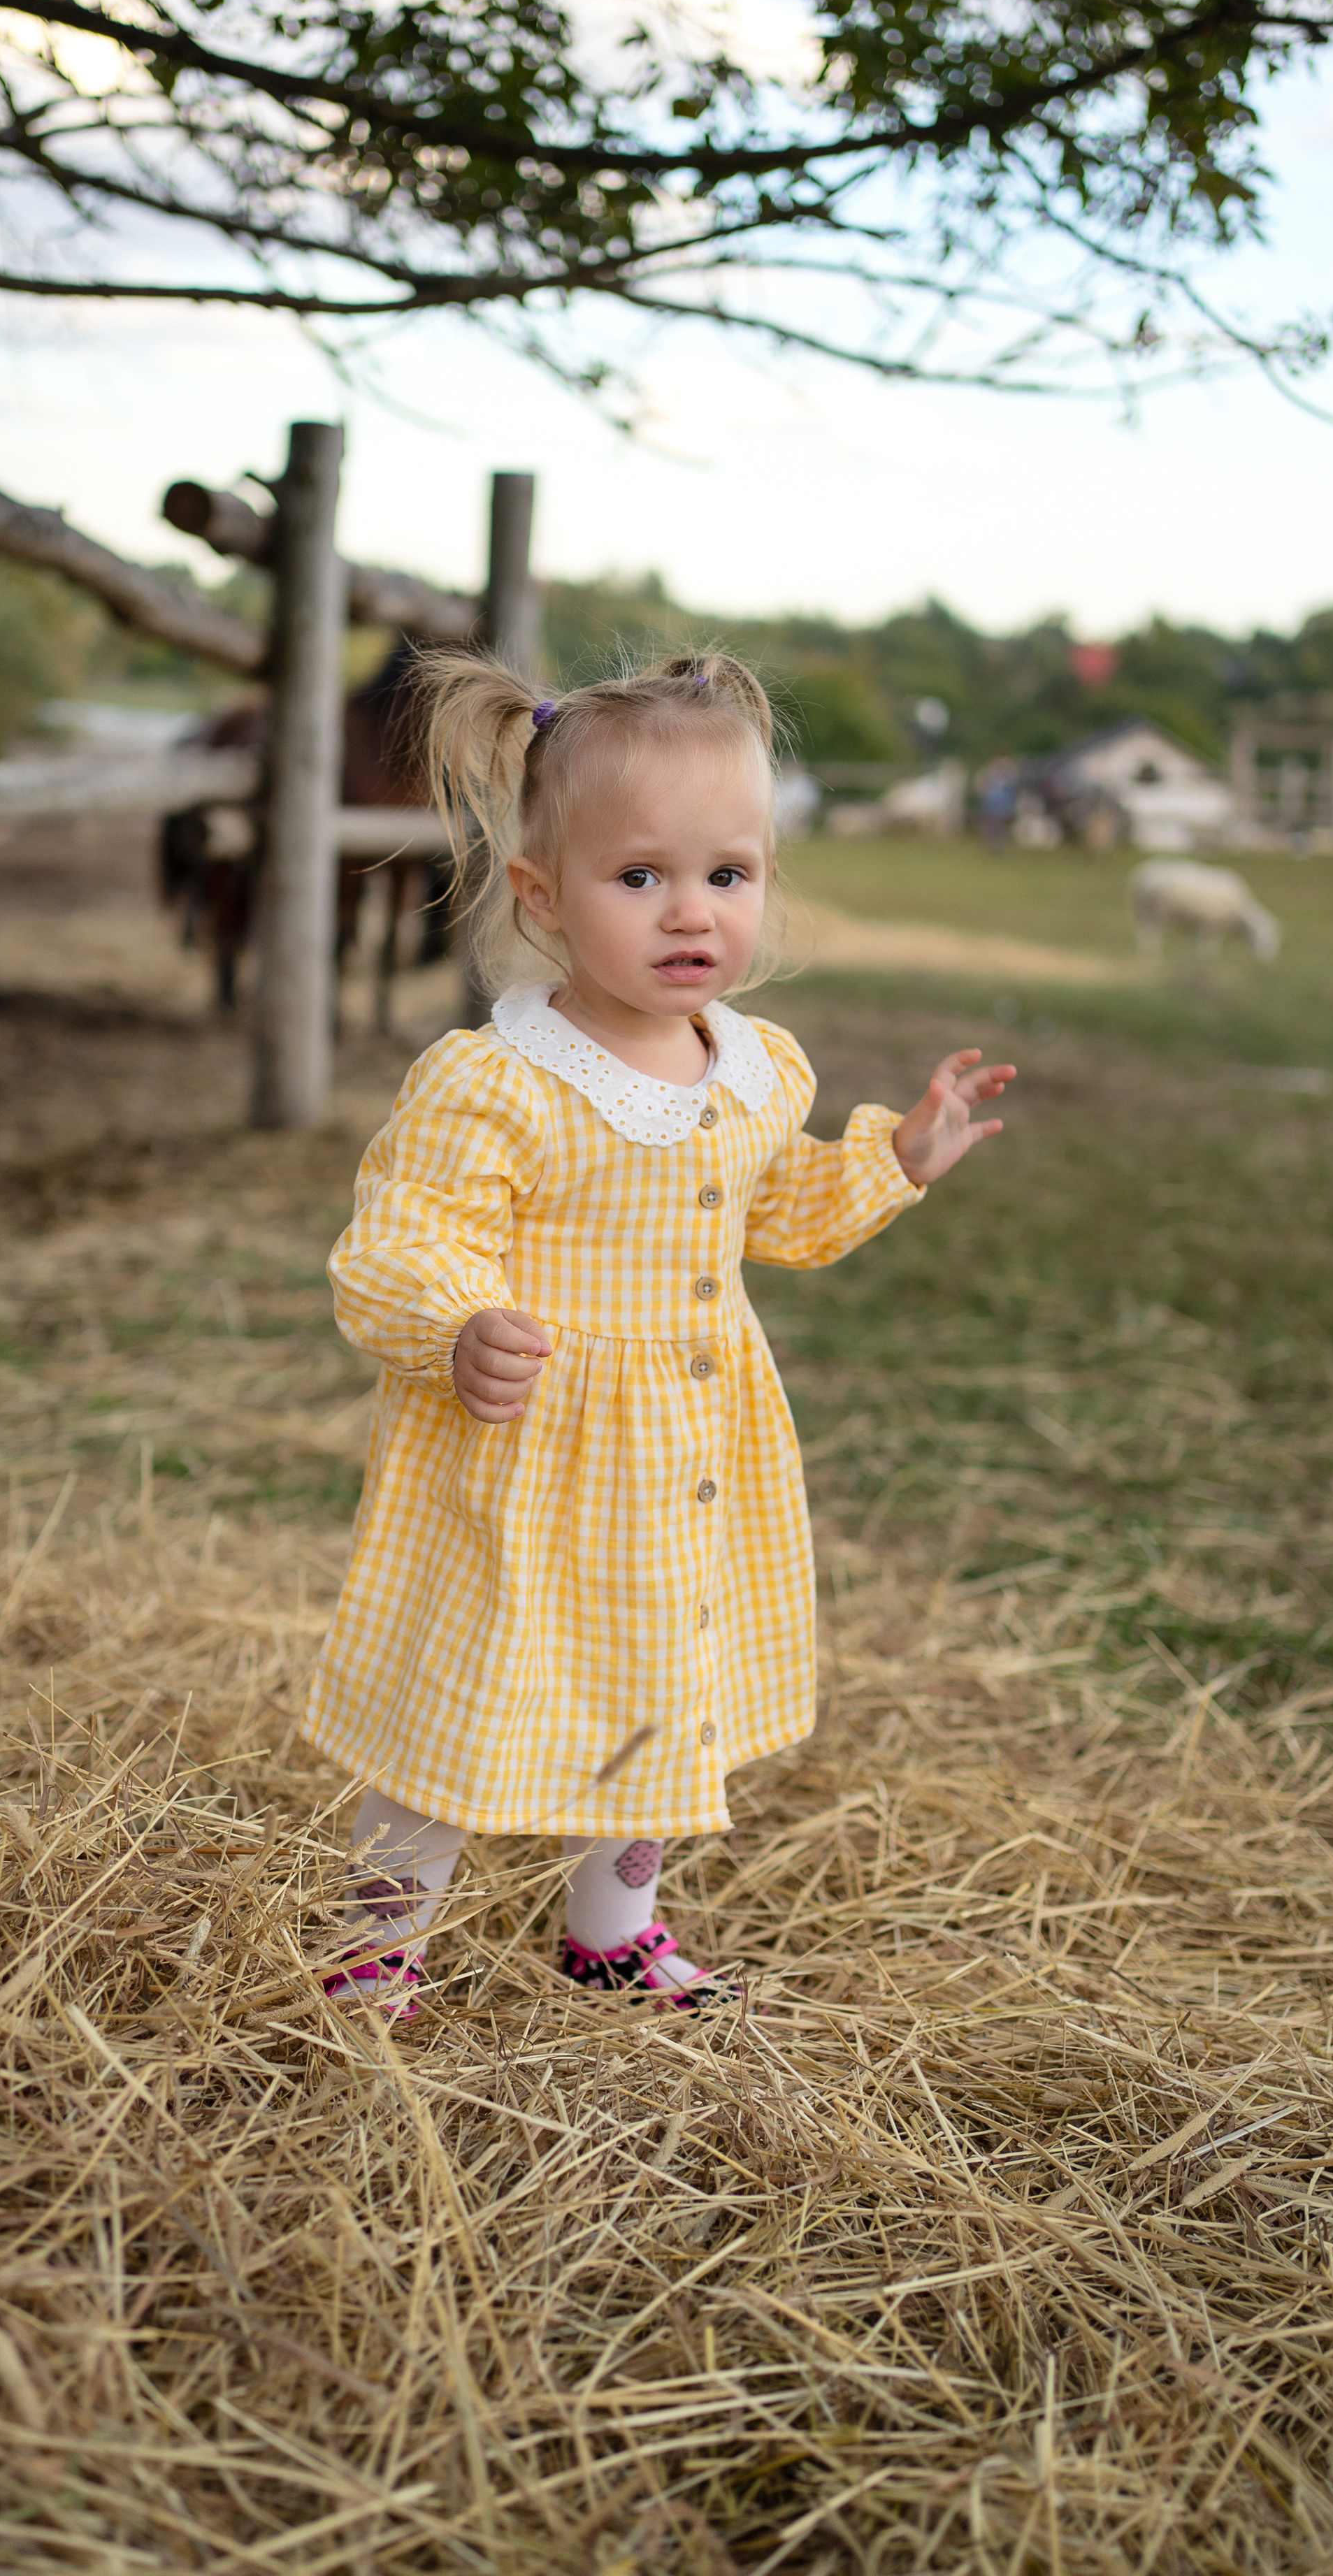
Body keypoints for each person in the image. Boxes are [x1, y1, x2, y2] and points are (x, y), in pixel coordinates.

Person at [305, 652, 1014, 2020]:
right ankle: (375, 1941)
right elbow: (396, 1238)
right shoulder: (498, 1082)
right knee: (459, 1695)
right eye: (637, 879)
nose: (689, 913)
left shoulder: (753, 1068)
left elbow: (779, 1212)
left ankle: (611, 1926)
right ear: (541, 897)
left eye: (727, 876)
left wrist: (896, 1159)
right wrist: (455, 1324)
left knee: (661, 1684)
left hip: (685, 1454)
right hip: (525, 1454)